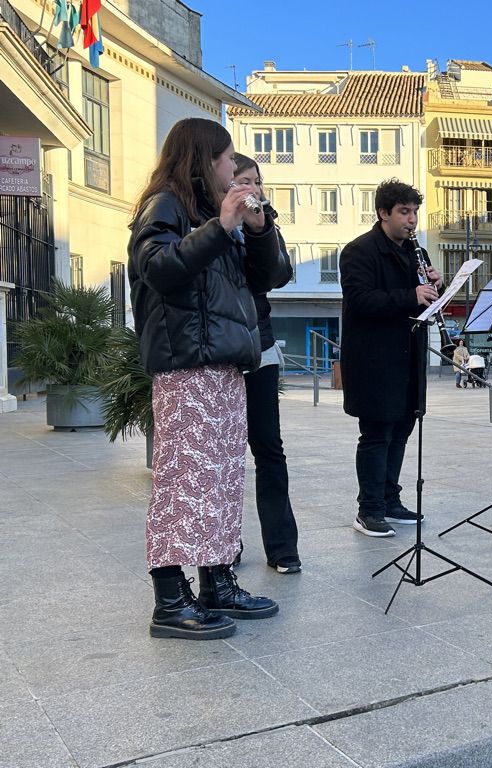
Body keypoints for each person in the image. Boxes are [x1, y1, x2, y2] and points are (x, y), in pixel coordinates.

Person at [129, 117, 289, 639]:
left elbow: (272, 277)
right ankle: (171, 601)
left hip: (223, 363)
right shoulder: (164, 206)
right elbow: (160, 269)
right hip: (185, 366)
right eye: (226, 160)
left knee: (221, 479)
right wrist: (219, 228)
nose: (233, 169)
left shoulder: (214, 213)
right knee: (183, 483)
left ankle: (218, 581)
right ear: (203, 159)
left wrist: (259, 230)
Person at [340, 179, 439, 537]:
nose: (411, 220)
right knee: (376, 434)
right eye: (404, 212)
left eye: (414, 212)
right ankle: (369, 509)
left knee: (401, 430)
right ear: (383, 213)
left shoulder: (418, 254)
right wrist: (411, 294)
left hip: (408, 356)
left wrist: (433, 289)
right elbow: (361, 301)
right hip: (374, 360)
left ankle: (390, 499)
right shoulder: (359, 251)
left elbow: (419, 302)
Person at [232, 154, 301, 574]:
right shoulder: (211, 222)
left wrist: (262, 230)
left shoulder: (266, 224)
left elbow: (279, 275)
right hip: (221, 353)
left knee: (269, 448)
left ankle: (282, 547)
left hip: (261, 347)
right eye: (242, 180)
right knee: (225, 453)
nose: (253, 189)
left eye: (256, 181)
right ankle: (224, 542)